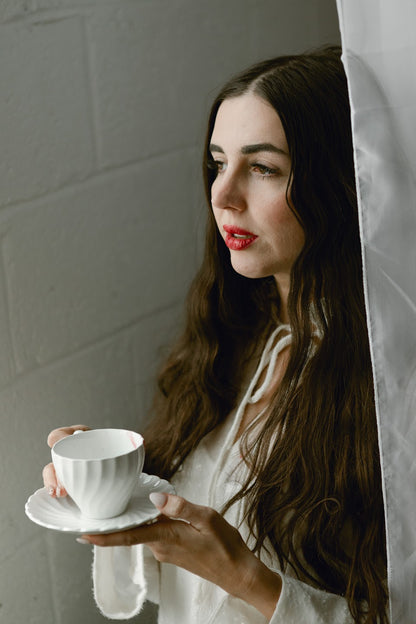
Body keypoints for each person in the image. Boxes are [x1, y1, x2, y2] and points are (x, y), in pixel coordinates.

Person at [42, 46, 388, 623]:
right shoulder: (232, 339)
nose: (222, 197)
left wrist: (245, 576)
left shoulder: (389, 385)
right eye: (217, 163)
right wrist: (109, 495)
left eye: (263, 168)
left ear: (340, 184)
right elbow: (185, 585)